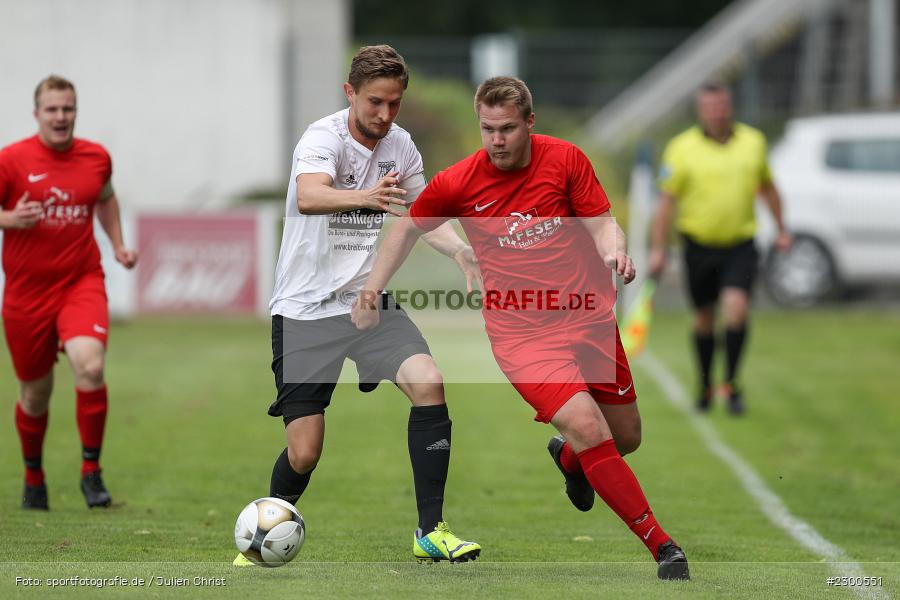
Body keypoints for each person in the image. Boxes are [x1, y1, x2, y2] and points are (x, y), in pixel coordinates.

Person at [353, 76, 690, 580]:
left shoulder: (566, 160)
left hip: (588, 320)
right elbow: (406, 227)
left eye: (508, 128)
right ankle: (664, 547)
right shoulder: (461, 181)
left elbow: (601, 222)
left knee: (626, 437)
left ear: (529, 123)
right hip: (523, 336)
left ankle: (573, 461)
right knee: (587, 426)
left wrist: (613, 248)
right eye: (488, 129)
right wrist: (371, 290)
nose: (497, 140)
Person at [234, 45, 480, 566]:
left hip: (366, 303)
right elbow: (309, 196)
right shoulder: (323, 138)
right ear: (350, 93)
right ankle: (262, 535)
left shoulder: (401, 145)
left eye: (394, 103)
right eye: (375, 103)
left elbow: (424, 210)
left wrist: (460, 250)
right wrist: (368, 196)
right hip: (303, 310)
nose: (385, 115)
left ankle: (430, 532)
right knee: (305, 452)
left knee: (430, 382)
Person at [0, 75, 138, 510]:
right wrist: (8, 219)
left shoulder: (96, 157)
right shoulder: (11, 160)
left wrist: (116, 243)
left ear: (75, 111)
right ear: (37, 113)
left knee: (90, 365)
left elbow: (106, 198)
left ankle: (90, 474)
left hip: (81, 281)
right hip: (26, 293)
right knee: (35, 394)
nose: (61, 117)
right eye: (52, 109)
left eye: (68, 108)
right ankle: (33, 477)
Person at [649, 83, 791, 415]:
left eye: (722, 106)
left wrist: (782, 229)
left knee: (736, 308)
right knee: (703, 319)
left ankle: (731, 383)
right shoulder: (681, 148)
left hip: (740, 245)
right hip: (698, 246)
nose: (717, 112)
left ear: (730, 107)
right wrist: (658, 248)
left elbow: (769, 188)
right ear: (702, 110)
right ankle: (704, 384)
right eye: (710, 107)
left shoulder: (753, 143)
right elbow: (666, 202)